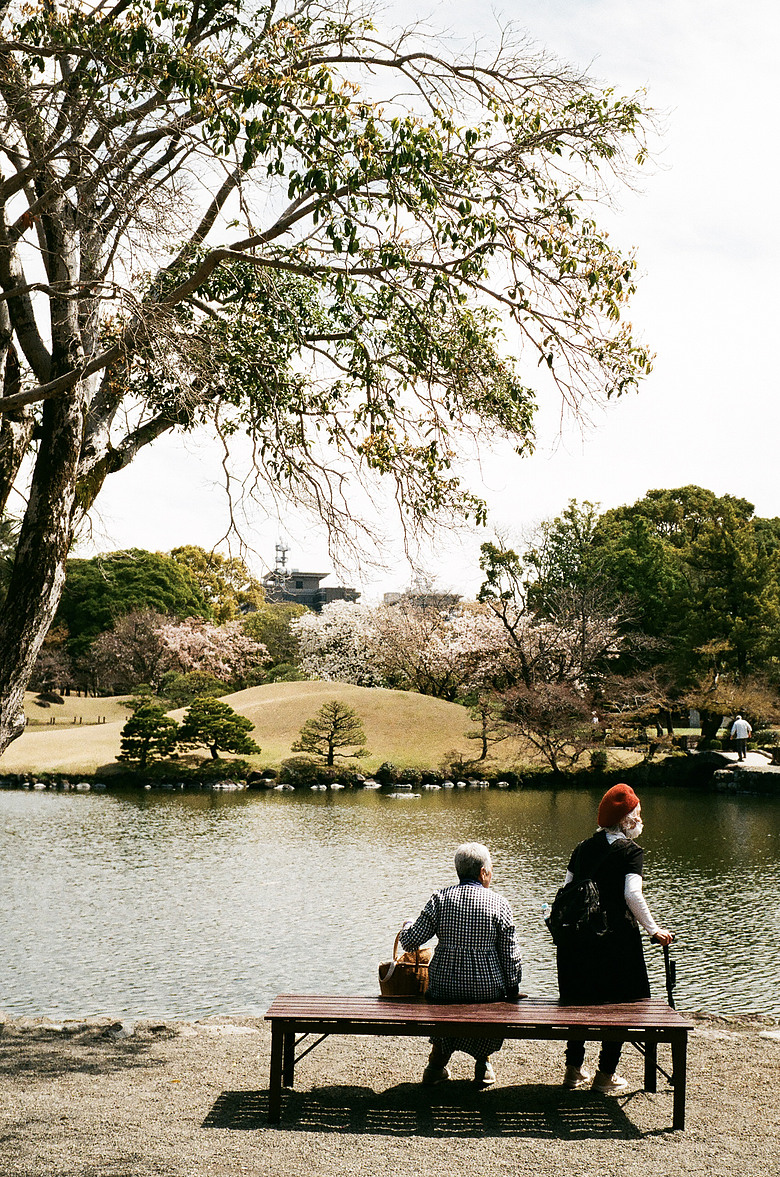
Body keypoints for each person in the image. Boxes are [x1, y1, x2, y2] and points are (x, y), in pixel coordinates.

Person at [556, 783, 673, 1095]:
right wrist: (653, 929)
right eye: (638, 814)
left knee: (578, 1003)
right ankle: (605, 1074)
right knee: (622, 1005)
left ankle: (573, 1070)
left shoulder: (581, 849)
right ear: (628, 820)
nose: (640, 819)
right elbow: (631, 894)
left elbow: (567, 890)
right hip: (616, 943)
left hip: (578, 943)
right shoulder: (630, 852)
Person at [399, 842, 523, 1089]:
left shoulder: (440, 899)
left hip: (443, 989)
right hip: (486, 991)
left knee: (443, 1002)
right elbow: (511, 957)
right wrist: (512, 988)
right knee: (484, 1003)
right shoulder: (500, 904)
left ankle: (435, 1065)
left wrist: (406, 926)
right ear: (483, 873)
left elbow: (409, 941)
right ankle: (483, 1064)